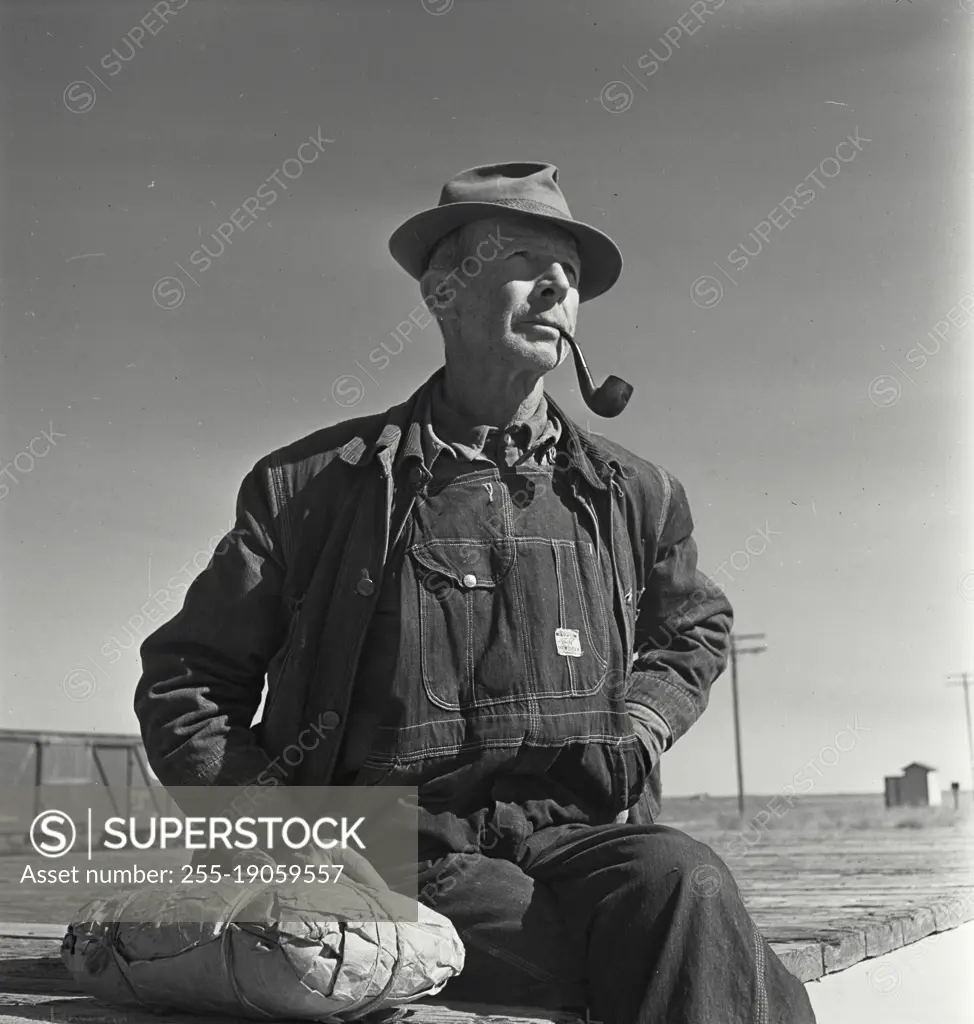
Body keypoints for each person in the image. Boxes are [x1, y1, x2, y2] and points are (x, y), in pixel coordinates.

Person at [135, 162, 816, 1023]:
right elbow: (186, 681)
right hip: (392, 848)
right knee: (628, 957)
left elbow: (696, 627)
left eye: (569, 276)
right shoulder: (309, 488)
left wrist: (642, 721)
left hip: (575, 832)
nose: (560, 286)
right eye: (527, 258)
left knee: (684, 882)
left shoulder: (631, 491)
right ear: (443, 292)